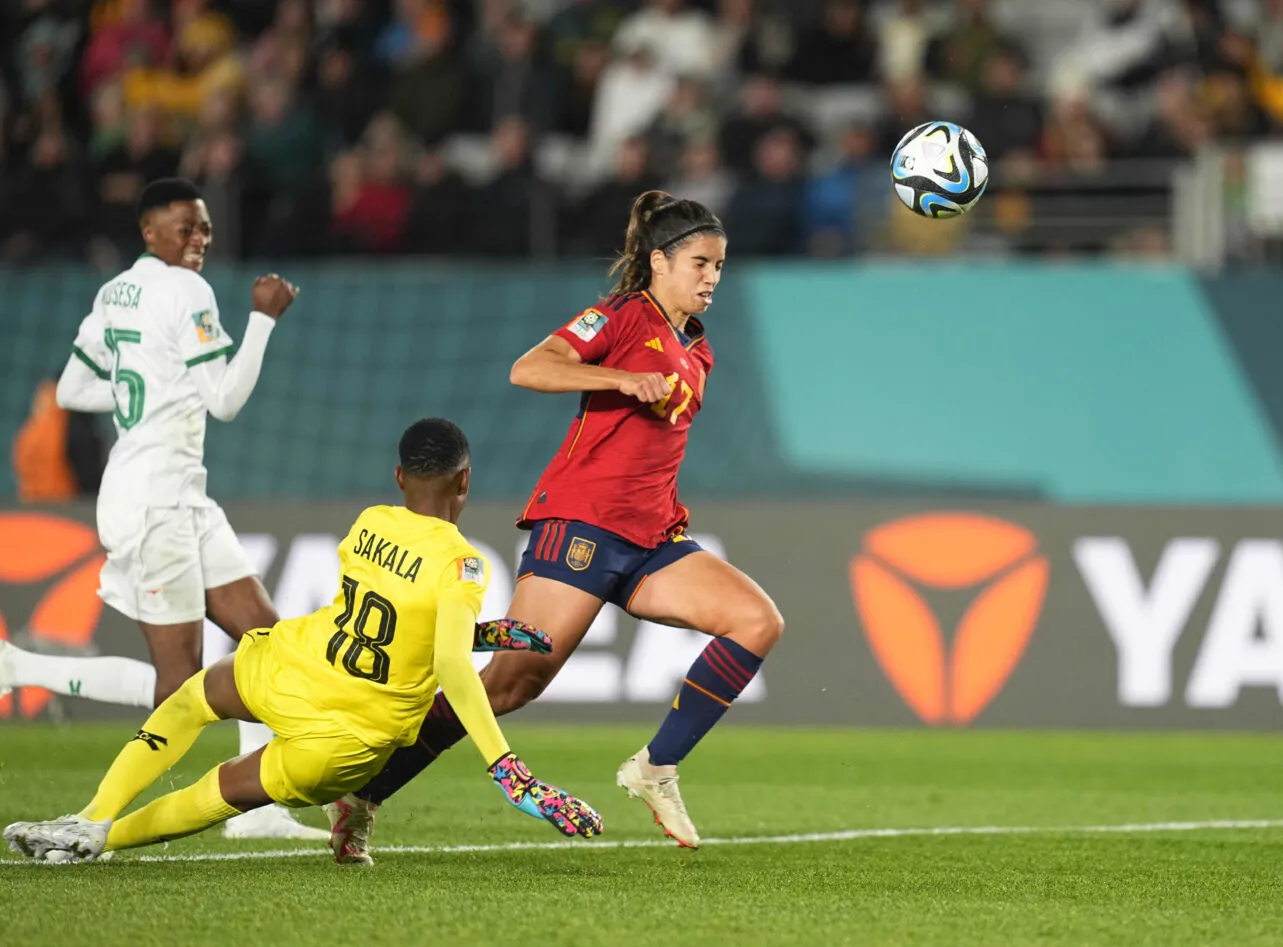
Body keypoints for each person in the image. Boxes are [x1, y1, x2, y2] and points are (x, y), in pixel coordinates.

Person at [326, 190, 783, 858]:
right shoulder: (624, 315)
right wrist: (621, 379)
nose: (712, 276)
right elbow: (530, 366)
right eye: (699, 262)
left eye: (719, 265)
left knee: (757, 620)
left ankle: (655, 767)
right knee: (511, 682)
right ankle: (364, 793)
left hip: (653, 538)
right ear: (659, 261)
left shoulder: (698, 351)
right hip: (582, 526)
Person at [3, 419, 603, 865]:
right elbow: (441, 655)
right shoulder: (464, 564)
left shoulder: (368, 524)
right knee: (223, 789)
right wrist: (510, 771)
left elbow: (392, 618)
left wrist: (485, 633)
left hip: (297, 665)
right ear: (465, 479)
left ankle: (90, 817)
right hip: (349, 736)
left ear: (399, 477)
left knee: (191, 698)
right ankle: (103, 841)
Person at [0, 178, 314, 840]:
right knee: (182, 688)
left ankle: (261, 814)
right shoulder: (187, 290)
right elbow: (225, 400)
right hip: (154, 502)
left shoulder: (114, 291)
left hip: (177, 493)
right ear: (149, 231)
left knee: (265, 637)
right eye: (184, 227)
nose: (198, 239)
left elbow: (77, 386)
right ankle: (25, 675)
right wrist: (263, 317)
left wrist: (144, 392)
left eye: (203, 228)